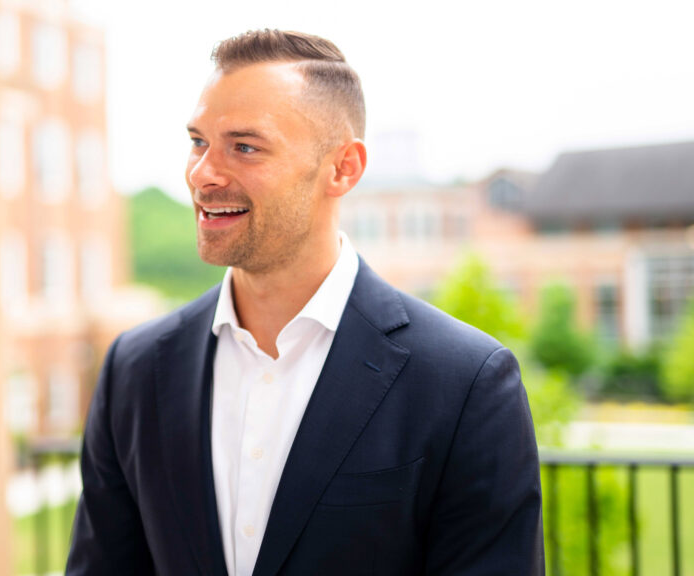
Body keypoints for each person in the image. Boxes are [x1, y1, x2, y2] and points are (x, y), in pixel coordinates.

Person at [67, 29, 544, 576]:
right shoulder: (135, 369)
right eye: (199, 141)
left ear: (343, 168)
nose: (202, 174)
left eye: (244, 147)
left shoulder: (465, 384)